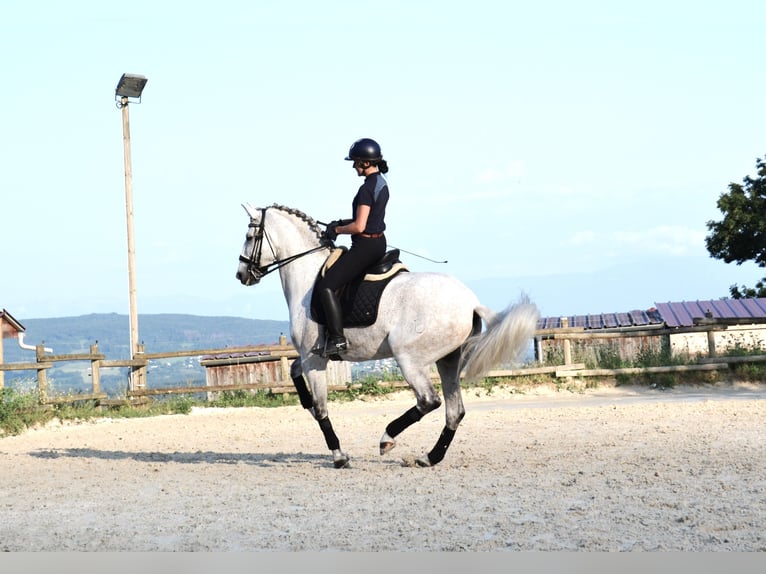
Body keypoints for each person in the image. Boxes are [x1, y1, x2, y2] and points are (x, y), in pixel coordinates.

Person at [313, 137, 390, 358]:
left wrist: (336, 231)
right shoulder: (381, 183)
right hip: (379, 241)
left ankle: (337, 339)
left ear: (366, 163)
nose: (354, 166)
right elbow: (367, 218)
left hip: (365, 246)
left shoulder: (366, 188)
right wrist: (339, 223)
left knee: (326, 286)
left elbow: (359, 226)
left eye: (356, 162)